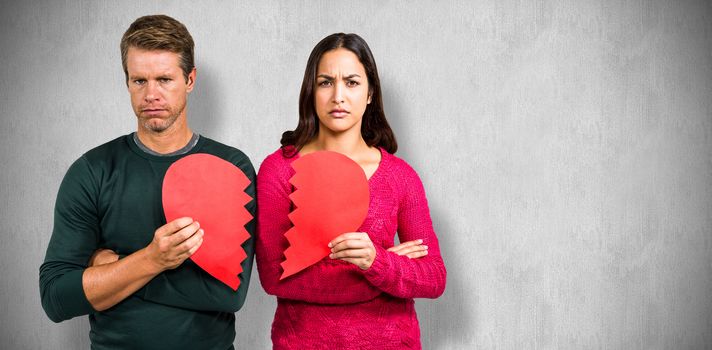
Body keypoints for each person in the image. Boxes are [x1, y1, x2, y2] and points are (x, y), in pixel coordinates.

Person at [39, 15, 255, 349]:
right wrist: (152, 258)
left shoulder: (229, 166)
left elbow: (228, 294)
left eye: (165, 79)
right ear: (127, 83)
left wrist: (116, 271)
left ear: (190, 79)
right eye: (139, 81)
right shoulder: (92, 171)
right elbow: (56, 298)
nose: (151, 94)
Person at [256, 33, 446, 349]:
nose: (338, 96)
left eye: (352, 83)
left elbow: (433, 277)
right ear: (311, 91)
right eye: (326, 82)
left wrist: (376, 261)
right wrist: (378, 272)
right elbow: (275, 277)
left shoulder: (400, 176)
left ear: (371, 92)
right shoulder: (279, 170)